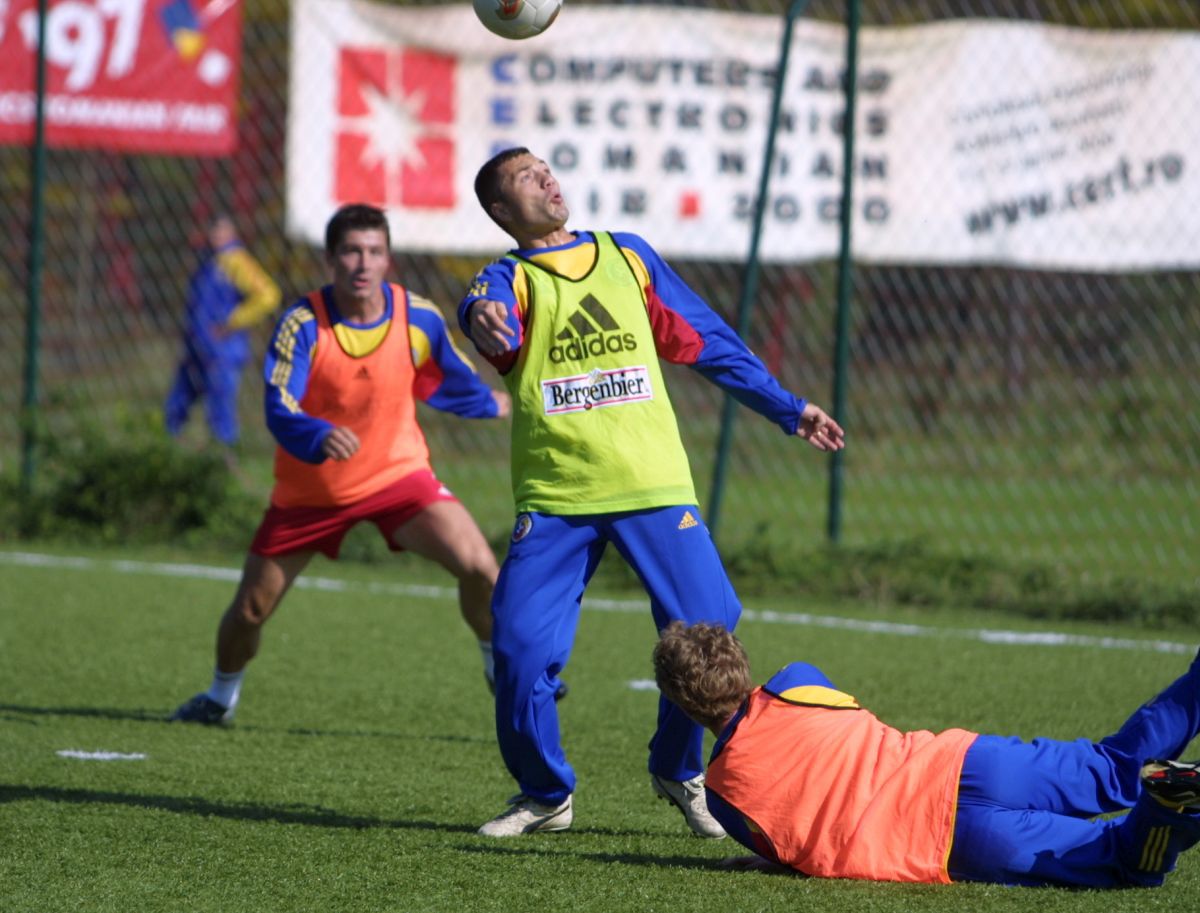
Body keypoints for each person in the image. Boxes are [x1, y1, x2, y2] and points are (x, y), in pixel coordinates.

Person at [458, 147, 846, 838]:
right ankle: (545, 793)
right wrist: (478, 312)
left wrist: (788, 407)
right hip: (558, 497)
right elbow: (486, 307)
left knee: (709, 625)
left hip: (653, 484)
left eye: (546, 167)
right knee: (518, 649)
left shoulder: (627, 257)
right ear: (500, 209)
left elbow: (710, 341)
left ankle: (676, 765)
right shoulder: (509, 279)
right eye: (525, 176)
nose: (546, 177)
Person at [170, 204, 509, 724]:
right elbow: (279, 405)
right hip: (312, 493)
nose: (363, 263)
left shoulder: (417, 316)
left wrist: (490, 403)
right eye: (351, 251)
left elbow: (446, 373)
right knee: (250, 610)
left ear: (388, 258)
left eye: (374, 251)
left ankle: (496, 669)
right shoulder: (302, 324)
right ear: (330, 259)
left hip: (398, 476)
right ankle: (219, 698)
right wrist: (318, 433)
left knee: (482, 569)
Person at [653, 620, 1200, 888]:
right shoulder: (796, 682)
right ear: (740, 659)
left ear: (680, 701)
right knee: (1112, 768)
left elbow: (786, 850)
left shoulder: (722, 797)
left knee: (1120, 857)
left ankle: (1168, 808)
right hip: (962, 765)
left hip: (944, 842)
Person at [165, 214, 282, 447]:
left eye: (221, 230)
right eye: (213, 230)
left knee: (220, 406)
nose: (216, 236)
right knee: (178, 401)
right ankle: (168, 445)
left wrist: (232, 322)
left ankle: (224, 454)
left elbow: (268, 296)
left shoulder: (236, 261)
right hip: (197, 345)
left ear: (232, 233)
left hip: (223, 348)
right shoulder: (208, 260)